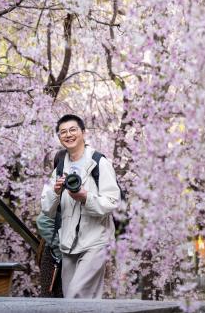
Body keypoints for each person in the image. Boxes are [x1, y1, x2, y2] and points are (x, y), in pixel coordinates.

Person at [41, 114, 120, 299]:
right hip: (68, 244)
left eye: (73, 130)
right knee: (72, 300)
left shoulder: (99, 162)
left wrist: (86, 197)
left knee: (78, 295)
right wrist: (55, 191)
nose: (68, 135)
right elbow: (46, 208)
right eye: (63, 132)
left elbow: (112, 201)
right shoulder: (60, 167)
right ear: (59, 137)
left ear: (83, 132)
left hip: (95, 241)